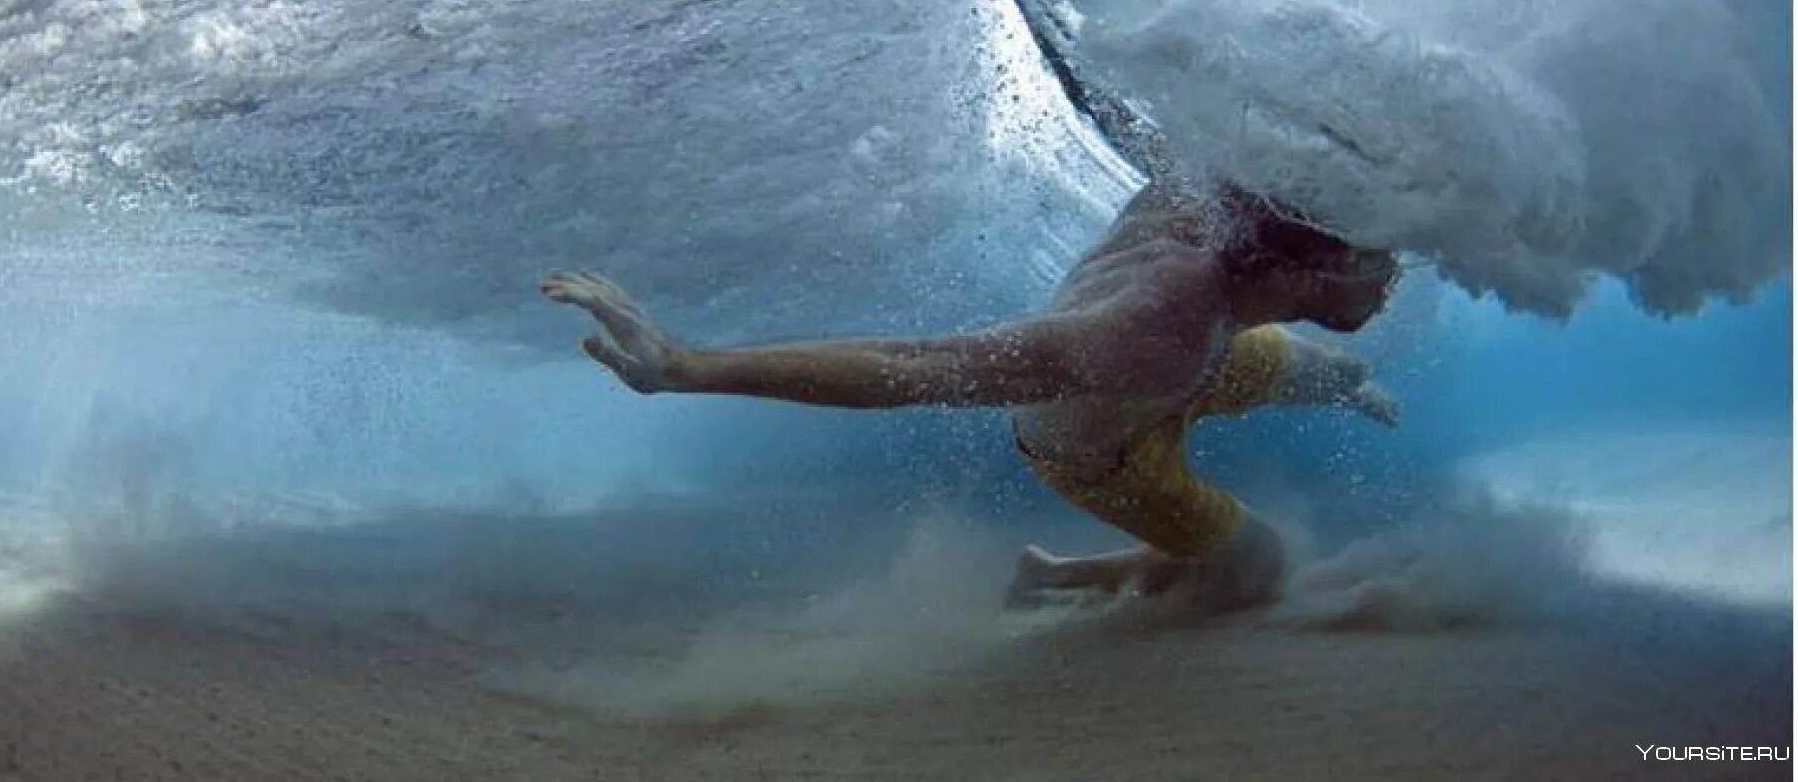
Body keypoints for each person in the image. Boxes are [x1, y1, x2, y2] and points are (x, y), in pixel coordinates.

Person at [541, 179, 1401, 613]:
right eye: (1372, 257)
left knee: (1334, 373)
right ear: (1296, 268)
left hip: (1204, 359)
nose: (1391, 271)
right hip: (1100, 447)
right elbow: (912, 365)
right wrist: (690, 366)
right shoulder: (1146, 333)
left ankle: (1347, 389)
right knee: (1260, 567)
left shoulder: (1220, 196)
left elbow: (1108, 94)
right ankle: (1057, 575)